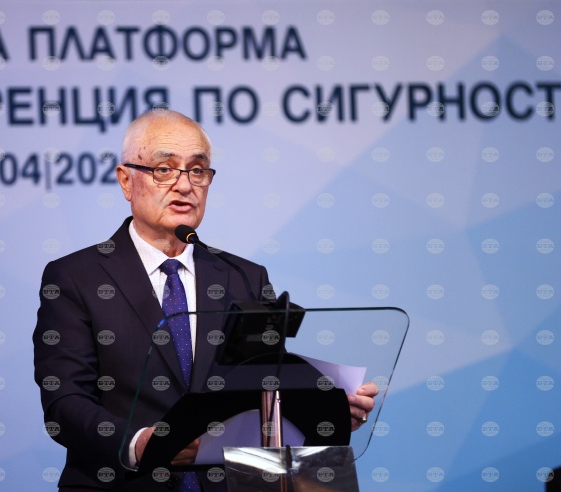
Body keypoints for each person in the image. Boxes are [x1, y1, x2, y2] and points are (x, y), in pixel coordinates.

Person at [33, 110, 378, 491]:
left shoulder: (244, 277)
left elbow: (266, 392)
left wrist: (326, 410)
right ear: (126, 180)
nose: (185, 185)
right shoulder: (75, 277)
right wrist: (138, 444)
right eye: (164, 169)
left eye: (197, 170)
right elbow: (64, 401)